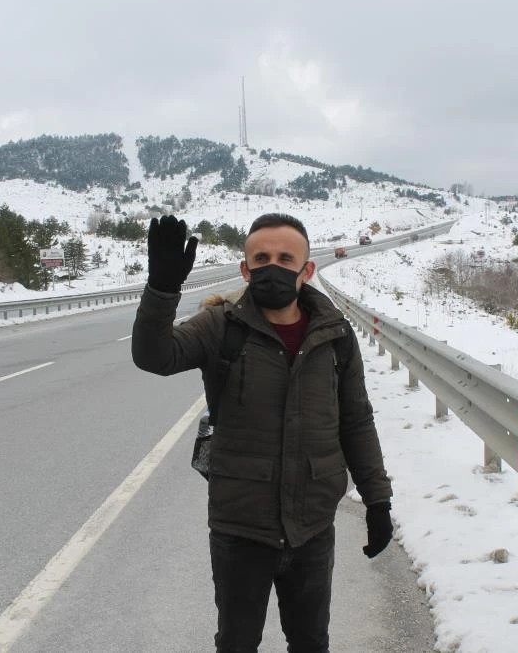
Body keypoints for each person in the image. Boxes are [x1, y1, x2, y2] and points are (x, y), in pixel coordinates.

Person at [131, 213, 393, 653]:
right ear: (246, 269)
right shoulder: (220, 326)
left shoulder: (335, 336)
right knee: (237, 643)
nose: (273, 266)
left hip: (312, 525)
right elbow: (153, 356)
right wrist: (161, 291)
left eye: (286, 257)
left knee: (311, 643)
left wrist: (377, 500)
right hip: (240, 527)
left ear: (307, 269)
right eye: (262, 258)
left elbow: (356, 420)